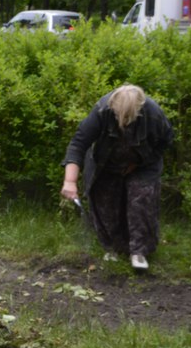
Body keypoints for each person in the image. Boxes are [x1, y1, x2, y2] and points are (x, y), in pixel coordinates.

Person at [60, 84, 174, 271]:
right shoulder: (101, 111)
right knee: (106, 203)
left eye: (128, 118)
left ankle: (139, 252)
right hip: (106, 163)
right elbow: (78, 144)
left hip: (143, 165)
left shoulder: (153, 113)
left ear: (139, 110)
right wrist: (70, 181)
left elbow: (166, 141)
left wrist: (140, 161)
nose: (122, 121)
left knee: (141, 201)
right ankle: (113, 247)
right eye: (118, 115)